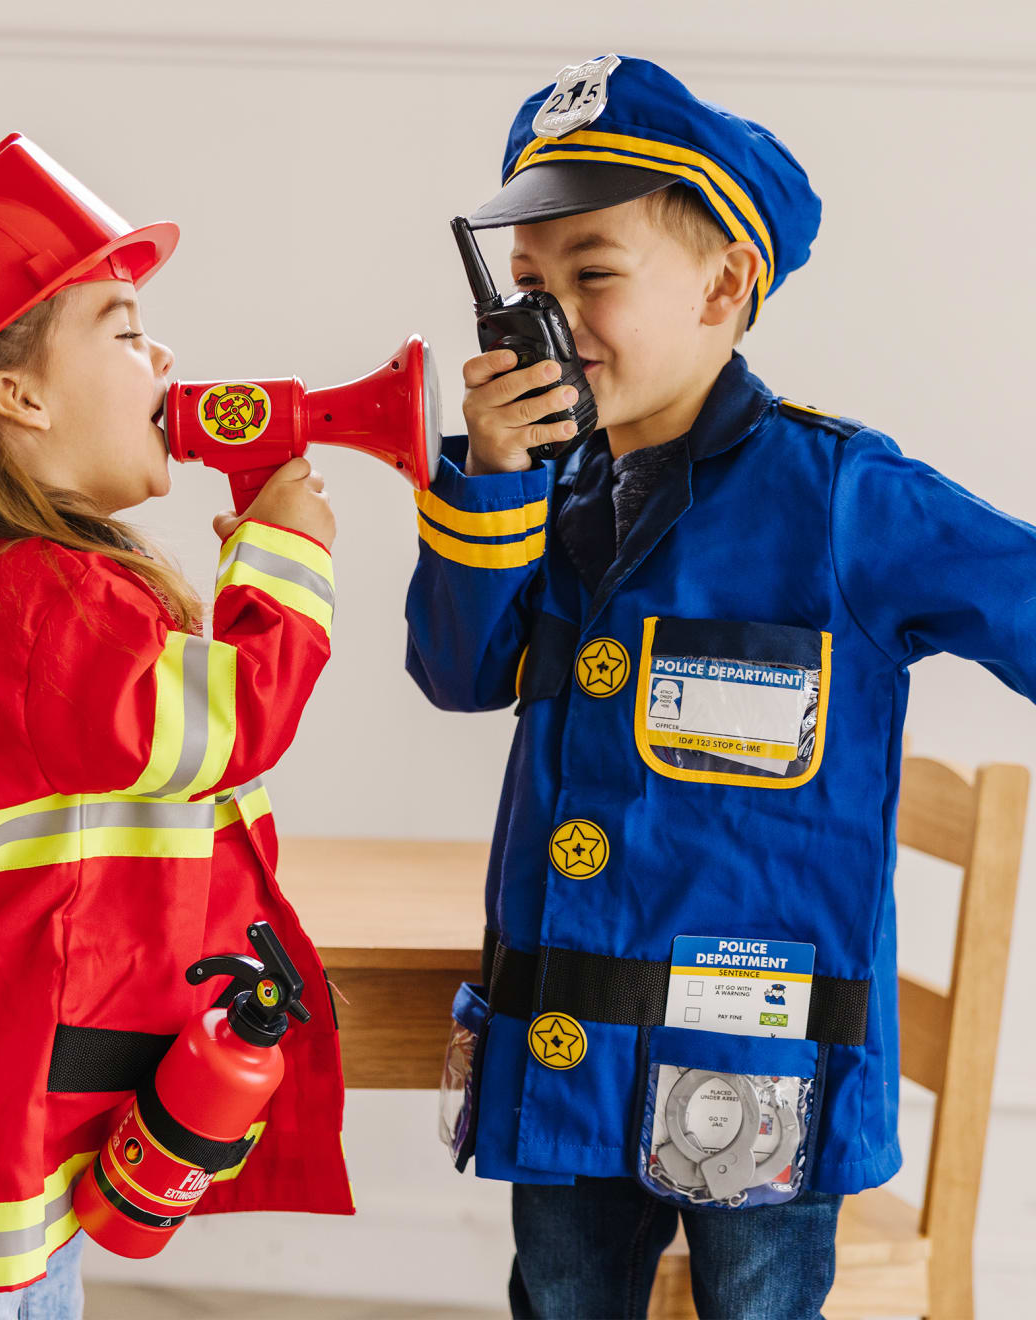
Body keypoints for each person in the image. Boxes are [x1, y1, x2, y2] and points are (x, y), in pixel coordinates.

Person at [405, 55, 1036, 1319]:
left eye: (593, 274)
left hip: (754, 1073)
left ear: (725, 285)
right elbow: (457, 670)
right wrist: (487, 481)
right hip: (564, 1056)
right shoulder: (538, 491)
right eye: (529, 284)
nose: (552, 316)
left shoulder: (844, 498)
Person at [0, 133, 352, 1314]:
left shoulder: (15, 585)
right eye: (126, 325)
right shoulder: (40, 597)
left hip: (8, 1106)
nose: (167, 355)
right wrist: (287, 554)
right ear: (20, 395)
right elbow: (223, 728)